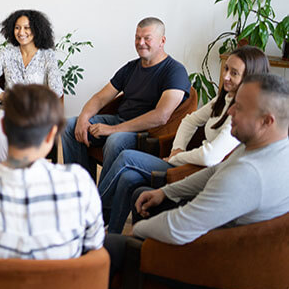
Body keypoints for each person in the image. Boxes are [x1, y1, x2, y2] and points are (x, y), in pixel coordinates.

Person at [105, 73, 289, 289]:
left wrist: (138, 232)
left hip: (218, 269)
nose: (229, 112)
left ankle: (136, 269)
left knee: (109, 247)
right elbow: (214, 171)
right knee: (145, 195)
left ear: (266, 121)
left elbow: (179, 227)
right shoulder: (271, 146)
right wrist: (165, 191)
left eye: (239, 108)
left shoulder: (248, 174)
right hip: (225, 240)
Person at [98, 46, 270, 233]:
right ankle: (108, 233)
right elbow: (189, 120)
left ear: (251, 78)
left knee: (126, 157)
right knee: (127, 177)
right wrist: (177, 149)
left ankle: (93, 214)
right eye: (226, 68)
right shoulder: (224, 98)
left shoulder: (243, 114)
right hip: (186, 161)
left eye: (234, 73)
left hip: (196, 170)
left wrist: (176, 159)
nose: (226, 76)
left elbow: (210, 157)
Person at [0, 84, 104, 259]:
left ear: (4, 127)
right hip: (56, 284)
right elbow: (93, 244)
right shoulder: (79, 184)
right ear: (51, 135)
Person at [61, 17, 190, 177]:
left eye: (147, 38)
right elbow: (100, 98)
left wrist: (112, 130)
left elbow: (161, 116)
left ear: (162, 41)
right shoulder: (131, 67)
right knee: (69, 126)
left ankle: (102, 198)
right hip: (119, 120)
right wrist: (83, 118)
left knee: (115, 140)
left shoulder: (175, 71)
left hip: (146, 132)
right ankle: (79, 187)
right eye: (137, 37)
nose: (141, 42)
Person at [0, 9, 63, 161]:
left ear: (36, 29)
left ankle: (27, 178)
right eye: (17, 27)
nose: (21, 32)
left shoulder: (47, 55)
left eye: (26, 27)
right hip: (9, 108)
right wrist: (5, 96)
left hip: (37, 111)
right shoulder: (7, 53)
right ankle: (4, 175)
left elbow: (56, 90)